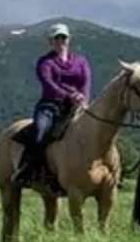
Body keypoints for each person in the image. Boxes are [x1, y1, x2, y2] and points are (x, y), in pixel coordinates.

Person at [12, 22, 92, 184]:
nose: (61, 41)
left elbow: (86, 81)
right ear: (51, 41)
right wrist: (70, 95)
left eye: (63, 37)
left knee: (99, 130)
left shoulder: (81, 61)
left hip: (77, 106)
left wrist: (84, 98)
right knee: (41, 131)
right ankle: (28, 169)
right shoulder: (45, 62)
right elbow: (49, 84)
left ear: (69, 39)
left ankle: (111, 170)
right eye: (57, 38)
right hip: (50, 106)